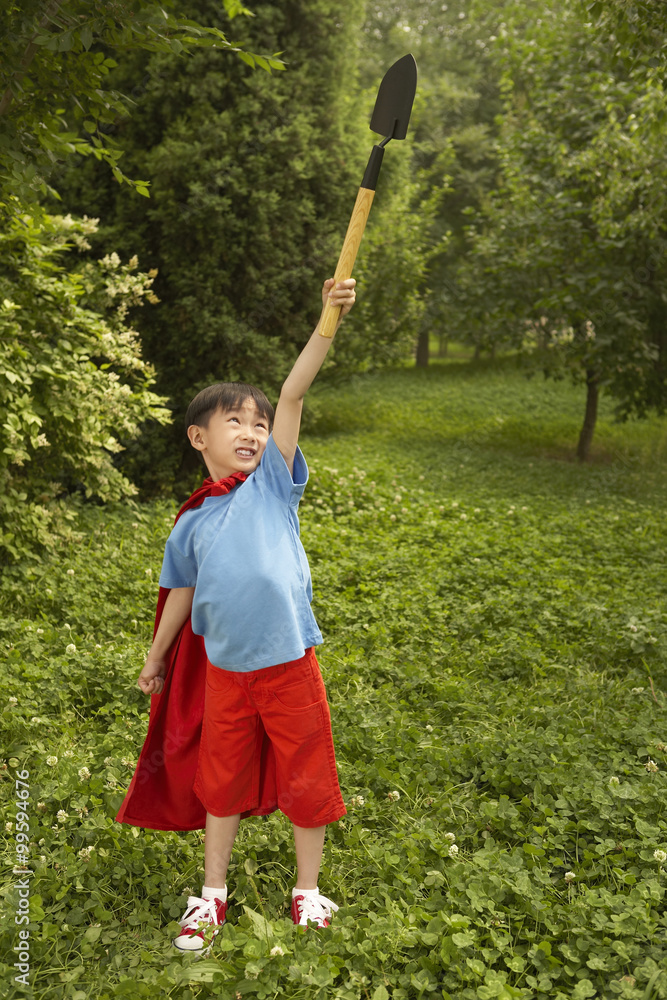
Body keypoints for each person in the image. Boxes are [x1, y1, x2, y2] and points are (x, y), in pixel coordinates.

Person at [129, 277, 356, 953]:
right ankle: (213, 895)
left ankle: (307, 890)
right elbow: (180, 593)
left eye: (258, 423)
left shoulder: (272, 485)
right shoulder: (193, 521)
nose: (253, 430)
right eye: (235, 421)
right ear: (199, 436)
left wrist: (328, 318)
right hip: (227, 675)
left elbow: (293, 392)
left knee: (307, 778)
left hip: (290, 666)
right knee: (218, 785)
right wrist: (155, 657)